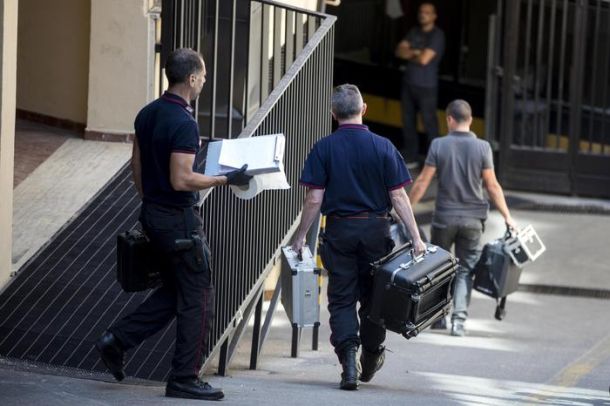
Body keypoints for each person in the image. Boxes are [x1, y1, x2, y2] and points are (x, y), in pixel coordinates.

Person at [95, 48, 252, 401]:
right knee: (199, 298)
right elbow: (181, 179)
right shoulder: (183, 122)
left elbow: (136, 166)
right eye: (204, 76)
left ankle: (116, 340)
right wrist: (226, 180)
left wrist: (151, 201)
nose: (205, 81)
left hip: (153, 214)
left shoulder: (148, 113)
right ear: (192, 78)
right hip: (179, 223)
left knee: (176, 291)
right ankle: (183, 378)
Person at [290, 84, 426, 390]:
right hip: (376, 232)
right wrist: (416, 237)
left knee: (341, 299)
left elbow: (314, 199)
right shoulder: (383, 146)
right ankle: (372, 355)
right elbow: (399, 196)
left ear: (333, 114)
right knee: (374, 298)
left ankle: (349, 364)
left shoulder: (323, 148)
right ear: (364, 109)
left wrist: (300, 237)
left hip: (339, 231)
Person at [408, 99, 517, 337]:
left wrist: (406, 209)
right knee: (465, 270)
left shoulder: (439, 145)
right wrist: (507, 216)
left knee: (440, 268)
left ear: (449, 119)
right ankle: (459, 321)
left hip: (444, 219)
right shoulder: (483, 148)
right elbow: (492, 186)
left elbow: (423, 181)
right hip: (472, 221)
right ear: (470, 120)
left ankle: (439, 318)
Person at [395, 2, 445, 167]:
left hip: (427, 86)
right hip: (409, 83)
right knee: (408, 121)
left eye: (427, 12)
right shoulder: (414, 31)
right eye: (421, 12)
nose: (423, 15)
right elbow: (399, 51)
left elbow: (424, 59)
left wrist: (412, 53)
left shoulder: (437, 35)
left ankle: (434, 161)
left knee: (429, 123)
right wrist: (417, 53)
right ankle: (411, 156)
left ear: (434, 16)